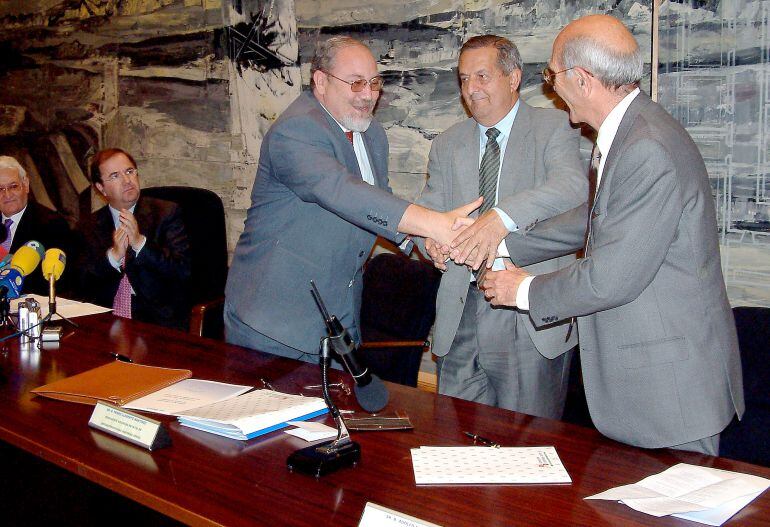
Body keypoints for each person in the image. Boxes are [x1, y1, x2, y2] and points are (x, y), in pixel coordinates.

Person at [454, 15, 744, 454]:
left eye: (553, 75)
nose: (551, 87)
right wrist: (504, 243)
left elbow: (611, 278)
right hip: (650, 385)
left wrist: (524, 290)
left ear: (583, 80)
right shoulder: (631, 131)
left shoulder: (645, 146)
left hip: (670, 393)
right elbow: (595, 217)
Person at [225, 36, 481, 363]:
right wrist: (436, 223)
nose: (368, 95)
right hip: (274, 319)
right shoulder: (296, 130)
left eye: (374, 83)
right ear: (320, 81)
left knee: (333, 414)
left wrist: (422, 239)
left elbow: (376, 201)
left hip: (338, 315)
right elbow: (342, 191)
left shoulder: (371, 133)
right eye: (356, 83)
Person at [415, 36, 587, 418]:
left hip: (525, 315)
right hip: (459, 315)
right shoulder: (447, 143)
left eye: (481, 76)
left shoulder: (554, 127)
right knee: (452, 448)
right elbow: (426, 208)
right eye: (463, 79)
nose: (470, 89)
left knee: (526, 450)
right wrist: (430, 241)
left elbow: (573, 189)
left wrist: (500, 218)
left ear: (513, 78)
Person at [77, 148, 191, 330]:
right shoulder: (89, 225)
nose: (127, 180)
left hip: (157, 321)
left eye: (129, 172)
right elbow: (81, 282)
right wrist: (113, 257)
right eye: (115, 176)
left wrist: (140, 243)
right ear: (101, 188)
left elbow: (182, 270)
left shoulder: (166, 213)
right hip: (106, 320)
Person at [0, 155, 72, 296]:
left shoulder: (52, 224)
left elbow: (55, 282)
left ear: (26, 185)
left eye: (13, 186)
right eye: (0, 189)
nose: (7, 194)